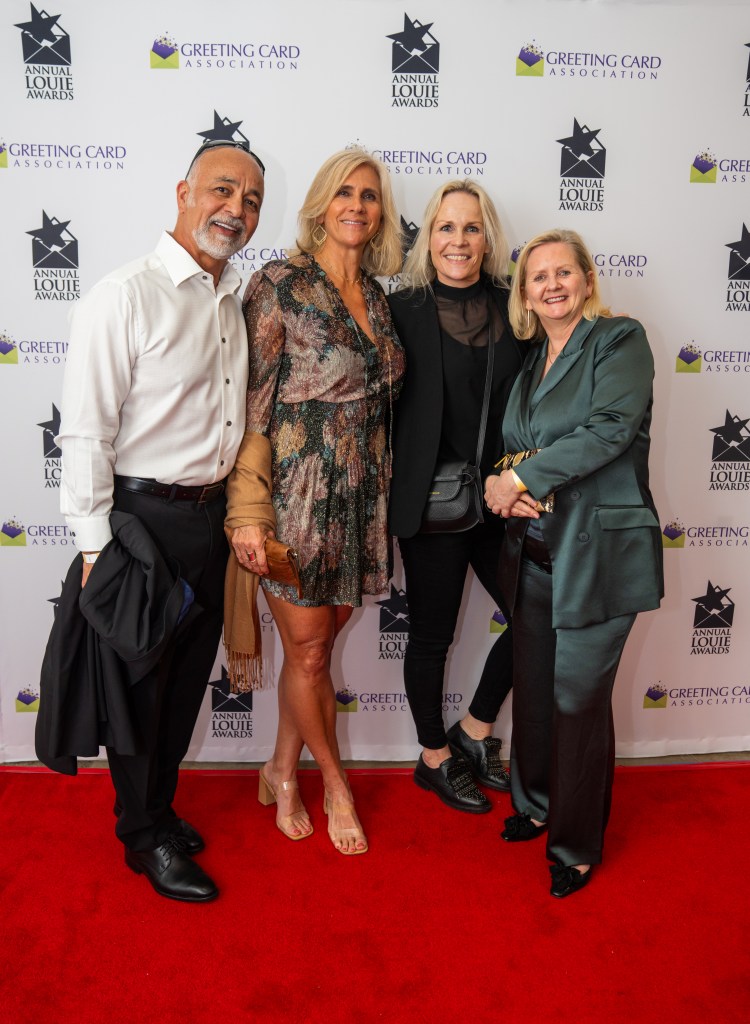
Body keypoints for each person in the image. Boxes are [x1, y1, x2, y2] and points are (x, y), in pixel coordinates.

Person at [56, 137, 266, 902]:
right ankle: (142, 838)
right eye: (222, 190)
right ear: (183, 193)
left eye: (250, 200)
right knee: (140, 691)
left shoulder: (232, 300)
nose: (235, 209)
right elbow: (86, 432)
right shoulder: (124, 295)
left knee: (181, 689)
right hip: (140, 525)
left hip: (208, 524)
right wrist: (94, 552)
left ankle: (159, 810)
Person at [224, 148, 404, 855]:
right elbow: (252, 409)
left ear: (380, 212)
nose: (356, 205)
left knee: (315, 652)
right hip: (299, 501)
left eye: (369, 195)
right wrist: (249, 511)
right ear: (321, 205)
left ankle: (277, 769)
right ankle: (333, 786)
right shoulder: (279, 285)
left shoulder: (380, 297)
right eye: (344, 193)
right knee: (307, 652)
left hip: (362, 501)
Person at [484, 228, 663, 897]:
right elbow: (513, 449)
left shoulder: (619, 340)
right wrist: (503, 480)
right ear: (526, 295)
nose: (552, 284)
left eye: (564, 272)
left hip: (600, 556)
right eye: (539, 277)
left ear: (587, 279)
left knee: (579, 700)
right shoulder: (532, 363)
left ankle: (576, 844)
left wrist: (519, 479)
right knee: (533, 691)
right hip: (532, 552)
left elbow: (610, 428)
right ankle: (534, 804)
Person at [387, 181, 525, 813]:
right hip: (432, 505)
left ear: (488, 239)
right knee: (431, 636)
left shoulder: (514, 304)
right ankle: (432, 756)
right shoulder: (401, 308)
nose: (459, 241)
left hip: (503, 501)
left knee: (538, 617)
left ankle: (474, 729)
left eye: (472, 228)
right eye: (446, 227)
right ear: (429, 237)